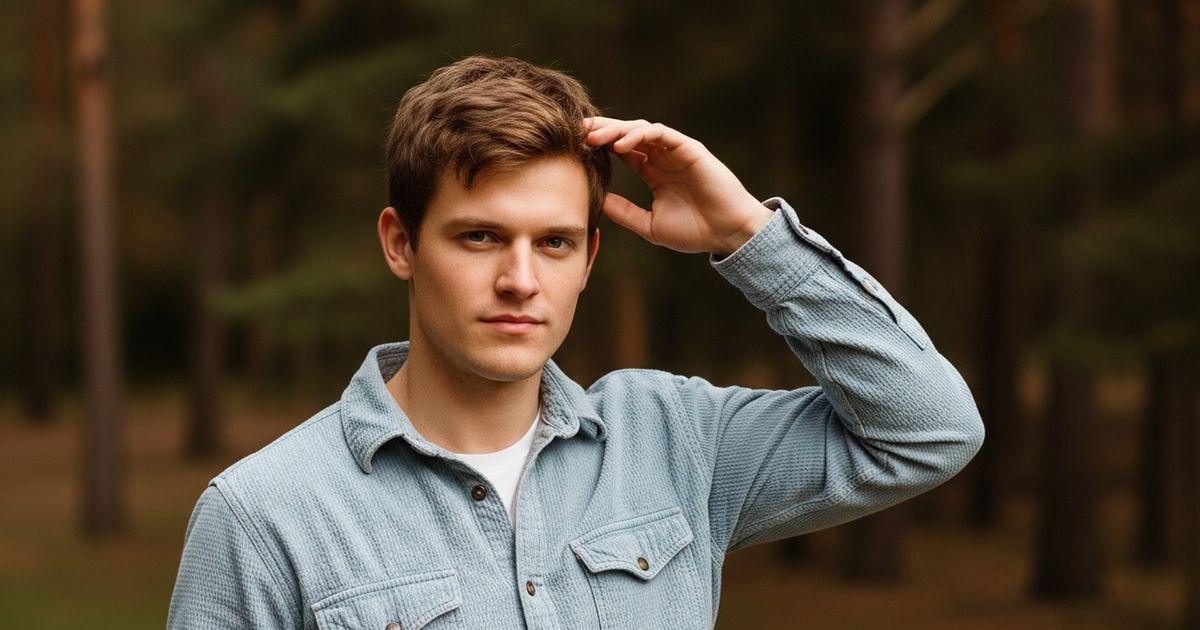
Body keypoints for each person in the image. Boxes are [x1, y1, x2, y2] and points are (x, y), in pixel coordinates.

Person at [167, 55, 983, 629]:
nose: (521, 279)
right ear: (400, 243)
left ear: (590, 257)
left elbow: (928, 431)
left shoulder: (675, 442)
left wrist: (749, 235)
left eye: (554, 242)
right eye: (480, 237)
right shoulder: (263, 515)